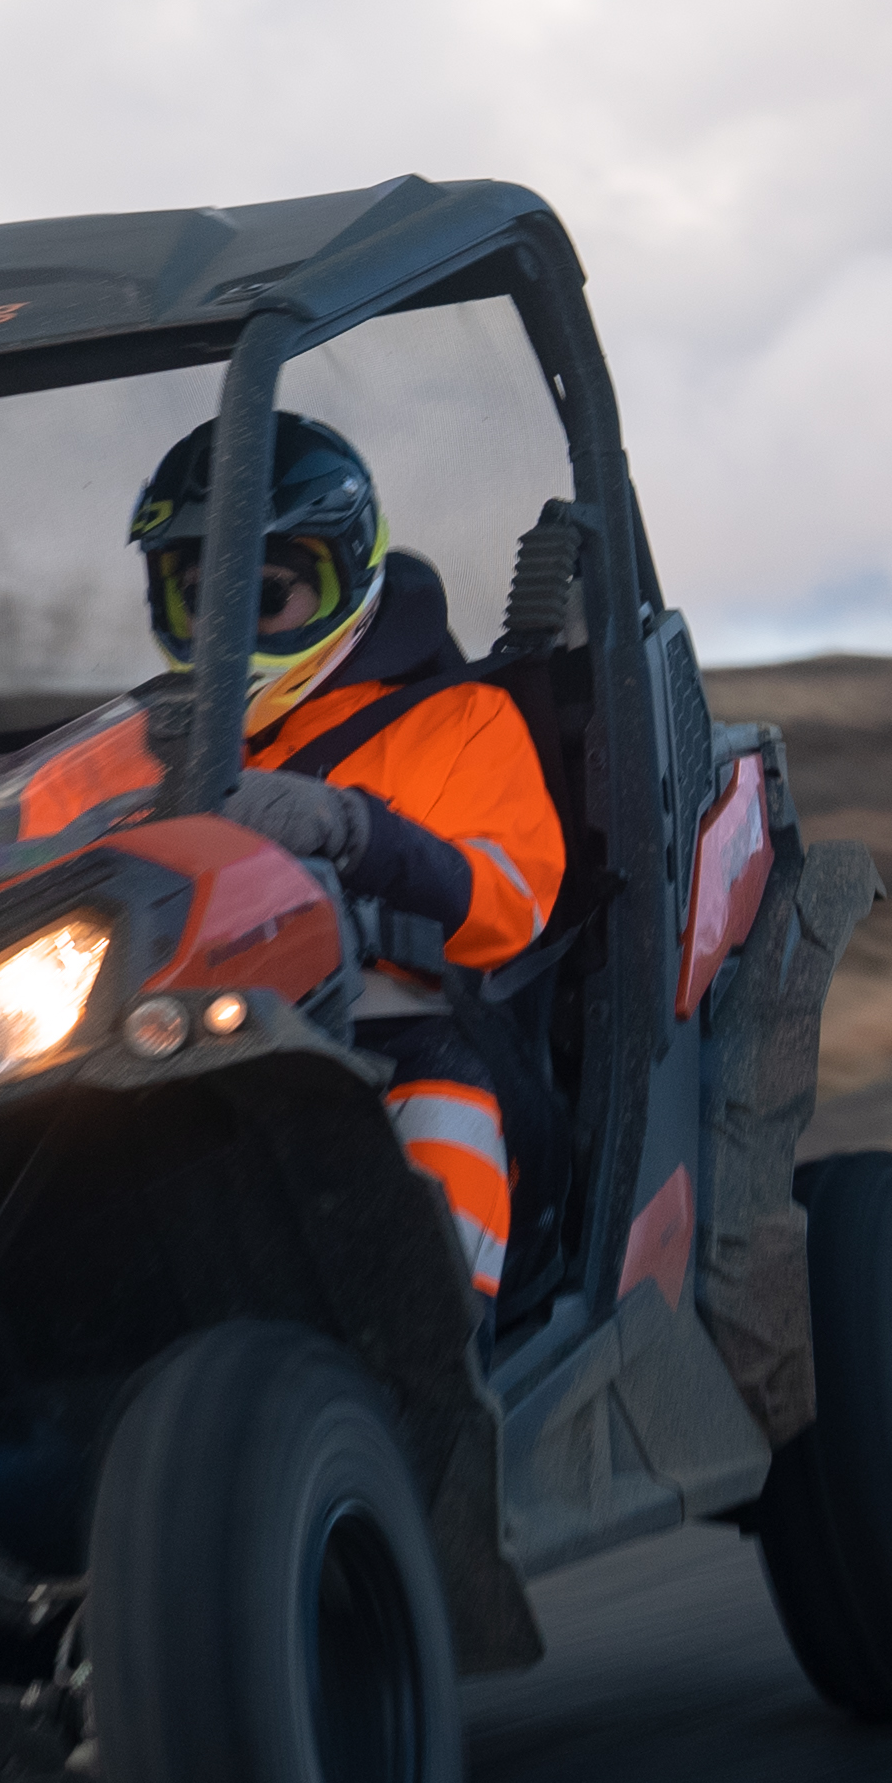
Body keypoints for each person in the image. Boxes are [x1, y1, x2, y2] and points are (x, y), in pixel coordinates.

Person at [130, 412, 564, 1308]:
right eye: (198, 597)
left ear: (346, 578)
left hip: (394, 1040)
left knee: (443, 1087)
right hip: (182, 1045)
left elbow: (509, 905)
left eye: (267, 593)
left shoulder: (459, 721)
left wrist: (355, 829)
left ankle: (438, 1372)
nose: (229, 630)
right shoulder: (133, 753)